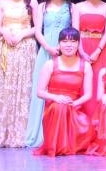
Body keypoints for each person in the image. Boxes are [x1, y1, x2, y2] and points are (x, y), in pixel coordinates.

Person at [0, 0, 38, 148]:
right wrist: (6, 33)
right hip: (7, 48)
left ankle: (22, 133)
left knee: (24, 88)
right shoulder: (2, 2)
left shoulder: (32, 2)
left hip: (25, 47)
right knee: (6, 88)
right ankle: (3, 133)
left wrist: (22, 34)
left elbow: (37, 26)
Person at [25, 0, 72, 148]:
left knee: (62, 89)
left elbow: (75, 30)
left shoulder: (72, 6)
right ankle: (39, 134)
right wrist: (48, 47)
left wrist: (64, 48)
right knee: (42, 90)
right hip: (46, 51)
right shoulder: (42, 6)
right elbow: (38, 31)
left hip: (66, 52)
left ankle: (60, 133)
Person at [33, 27, 94, 156]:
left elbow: (88, 94)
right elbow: (40, 92)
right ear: (59, 44)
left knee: (87, 128)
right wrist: (56, 98)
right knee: (59, 107)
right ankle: (58, 146)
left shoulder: (86, 66)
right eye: (65, 41)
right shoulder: (50, 64)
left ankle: (63, 146)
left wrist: (74, 104)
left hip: (74, 108)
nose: (69, 45)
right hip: (53, 108)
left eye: (73, 41)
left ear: (78, 44)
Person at [72, 0, 106, 115]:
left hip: (100, 49)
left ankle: (97, 119)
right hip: (81, 47)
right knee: (81, 82)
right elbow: (75, 30)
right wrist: (81, 52)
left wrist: (97, 51)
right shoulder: (78, 7)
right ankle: (80, 119)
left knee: (98, 82)